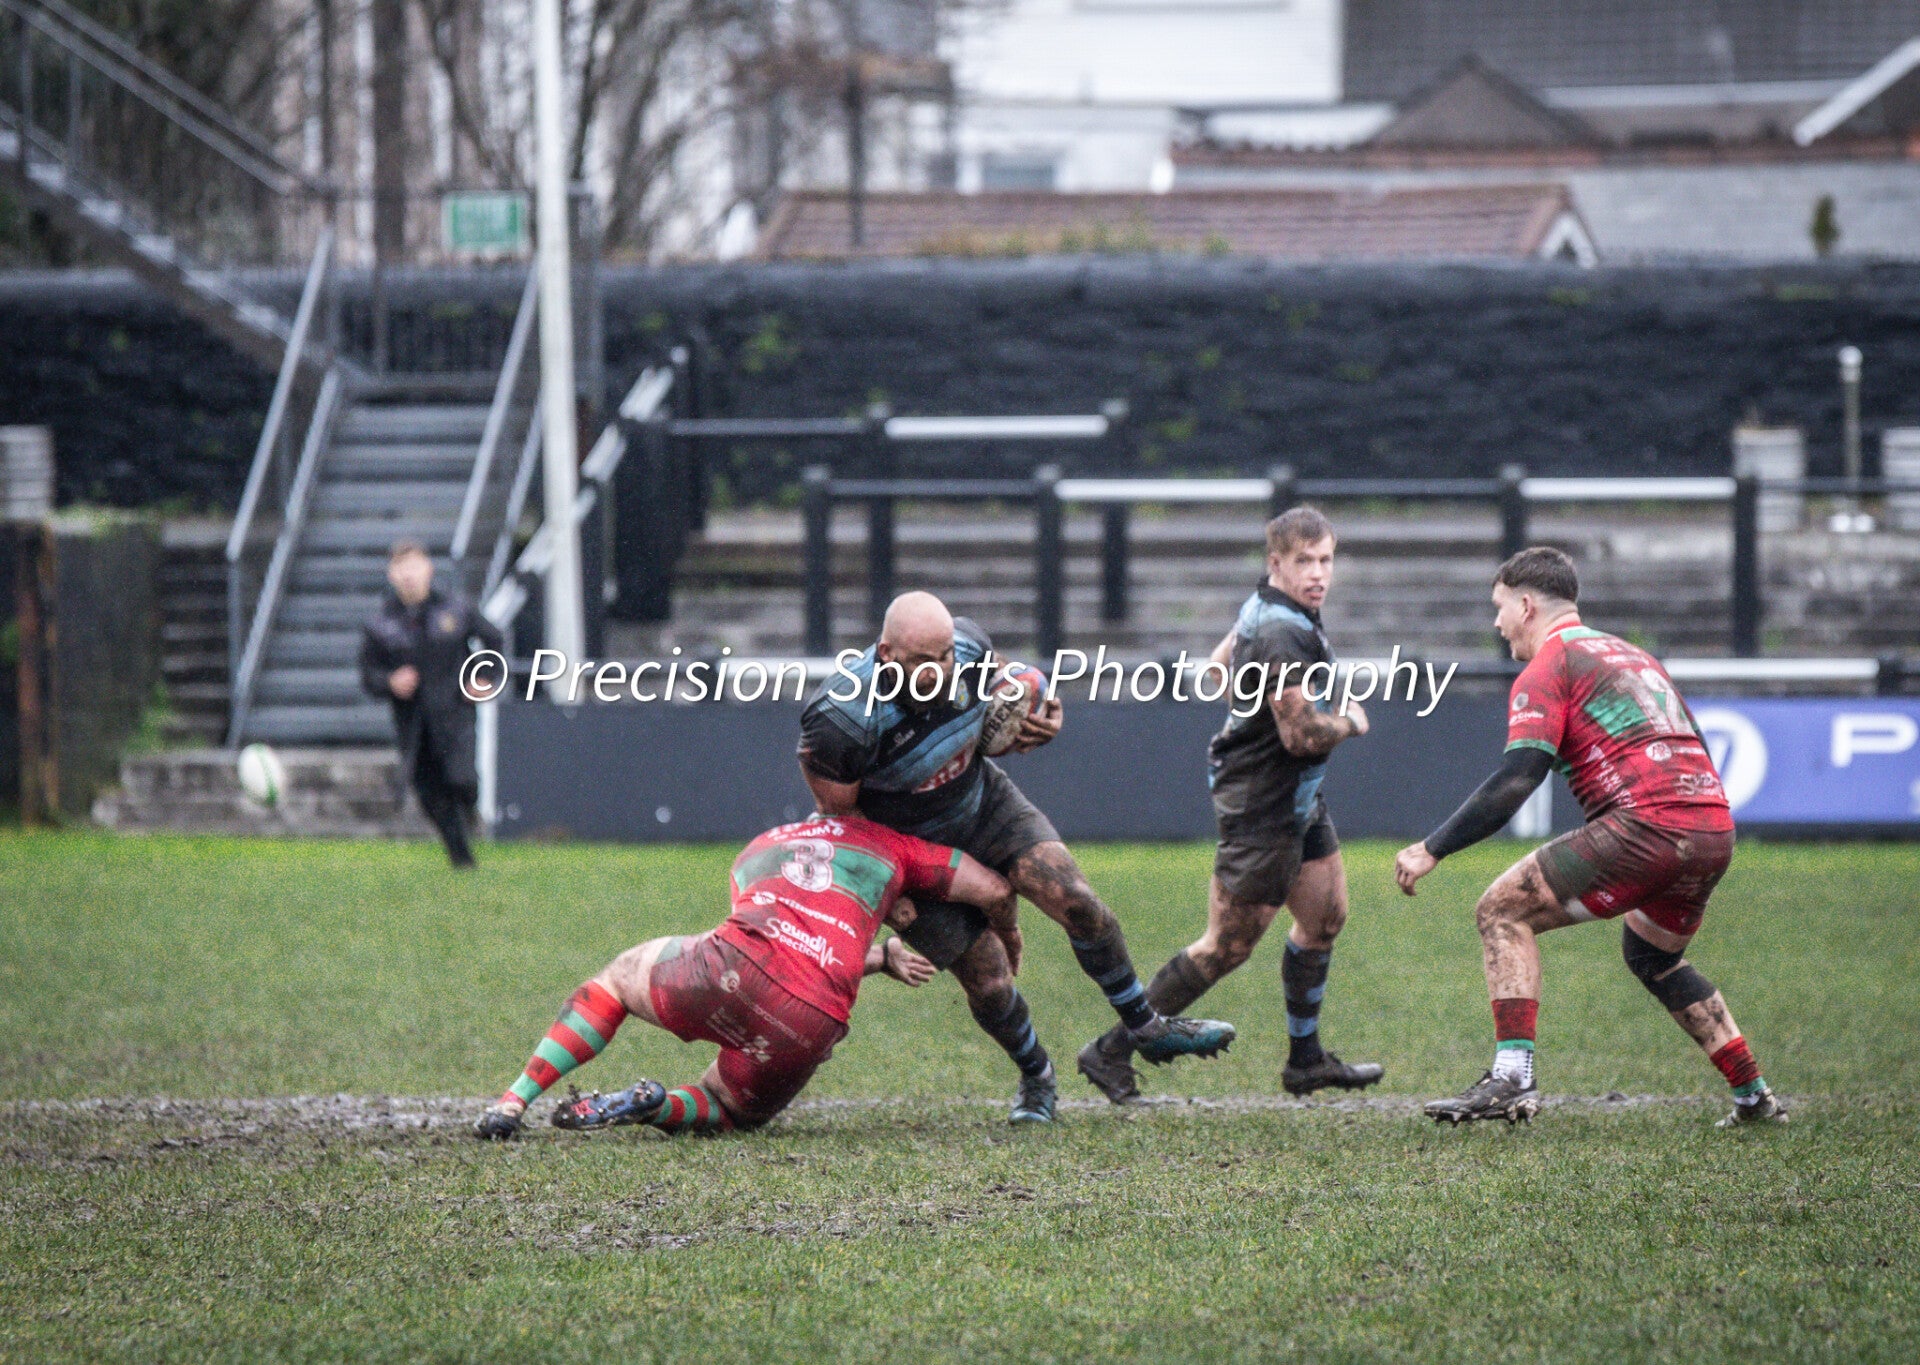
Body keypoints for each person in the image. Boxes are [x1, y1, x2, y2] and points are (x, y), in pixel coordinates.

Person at [798, 591, 1236, 1126]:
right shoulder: (841, 718)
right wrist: (893, 898)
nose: (940, 671)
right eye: (923, 662)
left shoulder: (968, 649)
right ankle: (1037, 1077)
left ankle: (1147, 1028)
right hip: (911, 851)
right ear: (886, 654)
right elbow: (843, 824)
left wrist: (1043, 715)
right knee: (989, 980)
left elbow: (1017, 683)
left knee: (1077, 901)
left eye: (946, 657)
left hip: (983, 805)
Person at [1394, 547, 1783, 1128]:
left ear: (1527, 605)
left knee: (1501, 910)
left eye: (1500, 608)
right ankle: (1752, 1095)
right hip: (1712, 827)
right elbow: (1694, 742)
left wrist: (1433, 848)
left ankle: (1512, 1077)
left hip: (1647, 826)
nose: (1497, 623)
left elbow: (1518, 778)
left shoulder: (1549, 666)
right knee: (1653, 957)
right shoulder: (1634, 656)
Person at [1077, 506, 1384, 1103]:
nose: (1318, 573)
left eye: (1325, 560)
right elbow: (1301, 736)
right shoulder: (1280, 631)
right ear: (1276, 563)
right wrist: (1350, 721)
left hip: (1295, 795)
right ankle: (1110, 1050)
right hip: (1264, 803)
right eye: (1304, 561)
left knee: (1324, 919)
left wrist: (1250, 718)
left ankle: (1306, 1061)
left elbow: (1218, 670)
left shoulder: (1272, 610)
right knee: (1227, 946)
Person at [472, 813, 1006, 1139]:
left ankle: (512, 1101)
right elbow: (993, 889)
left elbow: (781, 948)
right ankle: (656, 1106)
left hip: (730, 968)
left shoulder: (763, 844)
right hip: (811, 1022)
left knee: (615, 982)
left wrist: (879, 956)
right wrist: (1007, 934)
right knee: (728, 1108)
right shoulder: (895, 847)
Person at [358, 541, 503, 868]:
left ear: (428, 569)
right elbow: (368, 675)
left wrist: (484, 677)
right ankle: (462, 859)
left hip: (455, 712)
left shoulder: (456, 609)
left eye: (414, 566)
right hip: (413, 724)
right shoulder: (380, 624)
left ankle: (470, 812)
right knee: (430, 793)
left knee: (462, 780)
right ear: (391, 574)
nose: (408, 575)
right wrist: (390, 681)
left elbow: (494, 639)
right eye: (401, 568)